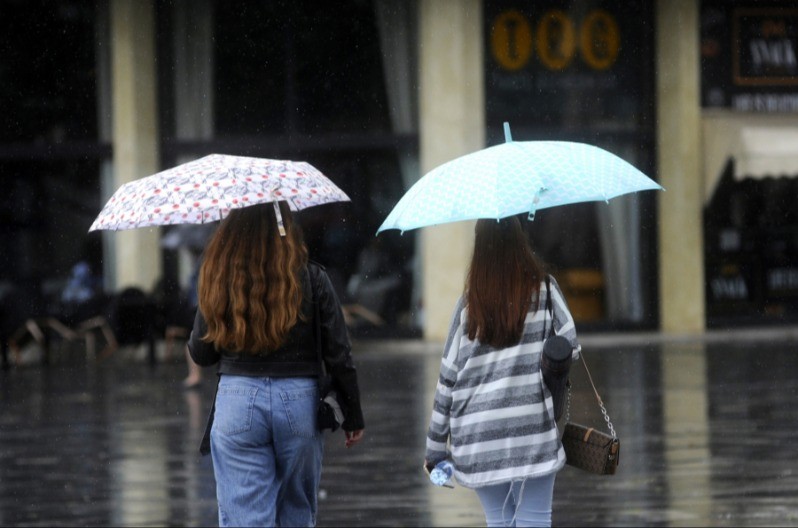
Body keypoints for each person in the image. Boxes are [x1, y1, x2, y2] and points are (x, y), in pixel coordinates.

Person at [187, 201, 365, 527]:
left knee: (245, 518)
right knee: (297, 512)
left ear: (233, 231)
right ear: (286, 227)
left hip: (237, 401)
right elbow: (339, 353)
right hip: (299, 401)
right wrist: (352, 414)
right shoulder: (312, 277)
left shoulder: (220, 278)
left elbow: (202, 354)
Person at [424, 216, 580, 528]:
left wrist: (435, 448)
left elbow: (447, 381)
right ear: (520, 243)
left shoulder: (470, 304)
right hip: (530, 426)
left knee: (499, 521)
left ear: (479, 250)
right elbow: (571, 347)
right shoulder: (545, 291)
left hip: (479, 434)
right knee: (534, 519)